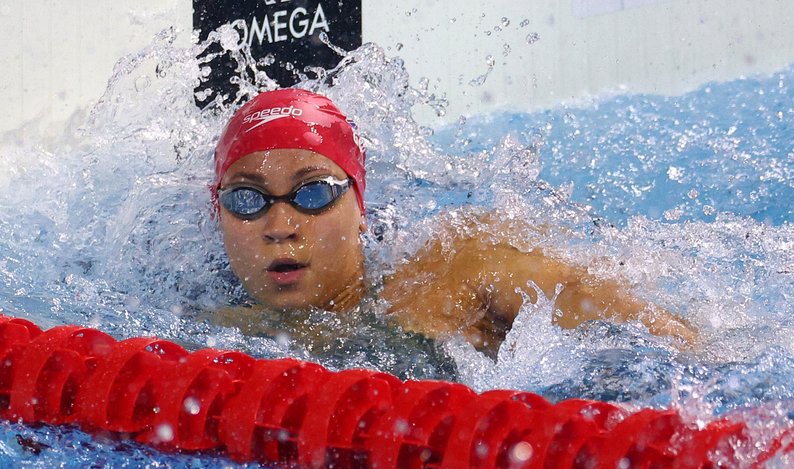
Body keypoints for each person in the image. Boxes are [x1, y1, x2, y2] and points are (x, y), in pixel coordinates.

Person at [212, 88, 696, 357]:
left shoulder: (458, 271)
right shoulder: (224, 336)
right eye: (247, 198)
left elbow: (659, 335)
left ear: (361, 209)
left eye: (313, 192)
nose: (280, 224)